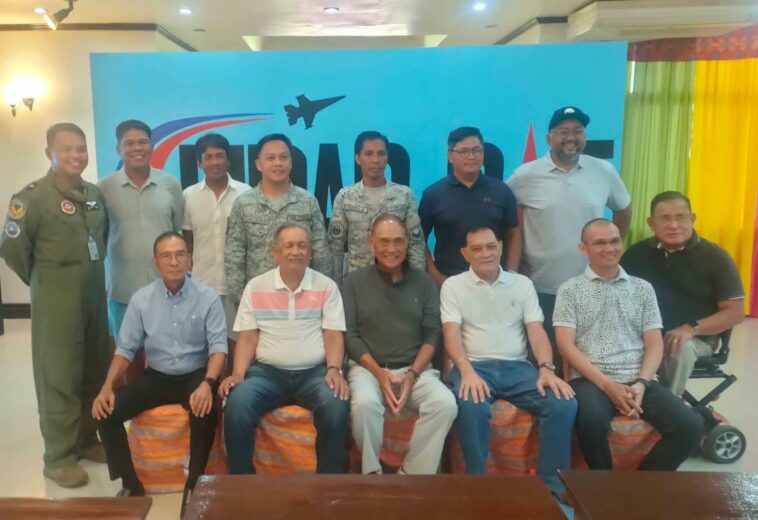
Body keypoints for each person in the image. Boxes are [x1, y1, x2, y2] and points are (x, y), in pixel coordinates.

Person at [0, 123, 110, 488]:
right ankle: (58, 457)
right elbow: (13, 249)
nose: (76, 155)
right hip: (55, 294)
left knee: (94, 367)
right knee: (59, 374)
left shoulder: (93, 194)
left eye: (81, 148)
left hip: (94, 290)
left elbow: (102, 237)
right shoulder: (30, 198)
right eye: (67, 149)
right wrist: (43, 282)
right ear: (50, 152)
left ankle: (86, 438)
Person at [92, 232, 226, 513]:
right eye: (166, 255)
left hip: (194, 374)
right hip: (157, 377)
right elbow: (125, 349)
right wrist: (107, 387)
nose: (174, 261)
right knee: (106, 412)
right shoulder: (142, 299)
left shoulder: (208, 298)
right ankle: (131, 484)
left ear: (190, 261)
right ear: (156, 262)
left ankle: (195, 483)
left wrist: (207, 383)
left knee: (204, 407)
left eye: (180, 255)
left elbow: (218, 350)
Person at [554, 218, 702, 471]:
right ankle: (605, 488)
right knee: (591, 421)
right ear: (583, 248)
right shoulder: (570, 290)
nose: (609, 248)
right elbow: (566, 346)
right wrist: (607, 385)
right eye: (600, 242)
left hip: (638, 378)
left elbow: (654, 343)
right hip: (591, 380)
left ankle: (638, 487)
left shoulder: (642, 288)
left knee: (690, 426)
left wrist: (642, 383)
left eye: (614, 241)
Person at [440, 226, 576, 496]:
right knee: (472, 405)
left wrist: (547, 369)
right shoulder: (453, 285)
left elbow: (536, 330)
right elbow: (451, 333)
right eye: (476, 248)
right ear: (465, 254)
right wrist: (465, 371)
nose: (485, 253)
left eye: (491, 246)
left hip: (518, 368)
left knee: (563, 403)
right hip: (474, 366)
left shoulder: (522, 284)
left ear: (501, 247)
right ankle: (475, 486)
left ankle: (552, 487)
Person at [507, 106, 632, 373]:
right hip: (542, 287)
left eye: (577, 131)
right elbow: (504, 220)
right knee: (545, 361)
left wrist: (613, 248)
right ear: (549, 138)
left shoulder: (603, 171)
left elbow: (623, 208)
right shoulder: (525, 176)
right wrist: (515, 264)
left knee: (587, 360)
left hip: (591, 286)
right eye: (563, 131)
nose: (571, 137)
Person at [220, 223, 349, 474]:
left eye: (302, 245)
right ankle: (242, 486)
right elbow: (247, 338)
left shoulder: (326, 286)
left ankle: (329, 488)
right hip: (267, 374)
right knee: (237, 404)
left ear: (310, 252)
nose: (296, 251)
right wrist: (238, 374)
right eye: (288, 245)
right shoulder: (256, 287)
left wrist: (334, 369)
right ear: (275, 252)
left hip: (315, 374)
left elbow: (333, 334)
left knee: (336, 405)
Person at [343, 214, 456, 474]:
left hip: (415, 370)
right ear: (371, 243)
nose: (391, 249)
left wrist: (413, 374)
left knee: (445, 404)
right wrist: (379, 374)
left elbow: (432, 334)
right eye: (384, 241)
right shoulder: (354, 282)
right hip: (368, 369)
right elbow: (350, 336)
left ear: (407, 244)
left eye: (398, 241)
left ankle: (413, 475)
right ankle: (372, 473)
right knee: (364, 406)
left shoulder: (424, 282)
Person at [621, 191, 744, 396]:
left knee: (678, 346)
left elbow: (735, 313)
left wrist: (691, 329)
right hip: (643, 334)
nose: (674, 225)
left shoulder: (716, 257)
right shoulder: (636, 254)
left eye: (681, 217)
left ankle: (670, 411)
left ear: (692, 219)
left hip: (696, 338)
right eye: (665, 218)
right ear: (651, 223)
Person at [98, 119, 184, 337]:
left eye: (143, 142)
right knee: (128, 354)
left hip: (167, 288)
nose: (137, 148)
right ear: (119, 149)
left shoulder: (170, 184)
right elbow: (102, 235)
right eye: (129, 143)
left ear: (152, 146)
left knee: (168, 352)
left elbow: (177, 232)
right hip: (123, 291)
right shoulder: (103, 189)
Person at [225, 133, 331, 307]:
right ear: (258, 164)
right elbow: (234, 255)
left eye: (283, 157)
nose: (278, 163)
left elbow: (321, 253)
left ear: (291, 162)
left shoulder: (308, 202)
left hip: (304, 297)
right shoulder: (243, 204)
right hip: (259, 299)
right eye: (270, 158)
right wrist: (240, 300)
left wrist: (322, 296)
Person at [419, 127, 519, 287]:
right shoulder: (433, 194)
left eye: (476, 150)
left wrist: (512, 274)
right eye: (464, 151)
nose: (471, 156)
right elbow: (419, 239)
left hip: (495, 283)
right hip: (448, 282)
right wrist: (436, 276)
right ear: (450, 156)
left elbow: (513, 233)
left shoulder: (501, 191)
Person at [329, 131, 424, 285]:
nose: (375, 160)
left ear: (387, 158)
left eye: (381, 154)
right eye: (368, 154)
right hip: (357, 283)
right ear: (358, 158)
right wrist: (336, 288)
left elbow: (416, 245)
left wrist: (417, 286)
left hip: (397, 282)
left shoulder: (404, 195)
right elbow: (335, 248)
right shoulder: (345, 197)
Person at [183, 133, 251, 343]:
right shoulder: (188, 196)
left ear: (228, 160)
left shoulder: (246, 193)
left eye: (220, 156)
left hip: (238, 286)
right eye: (208, 157)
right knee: (206, 343)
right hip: (203, 285)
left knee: (238, 342)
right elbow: (188, 241)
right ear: (199, 163)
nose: (215, 162)